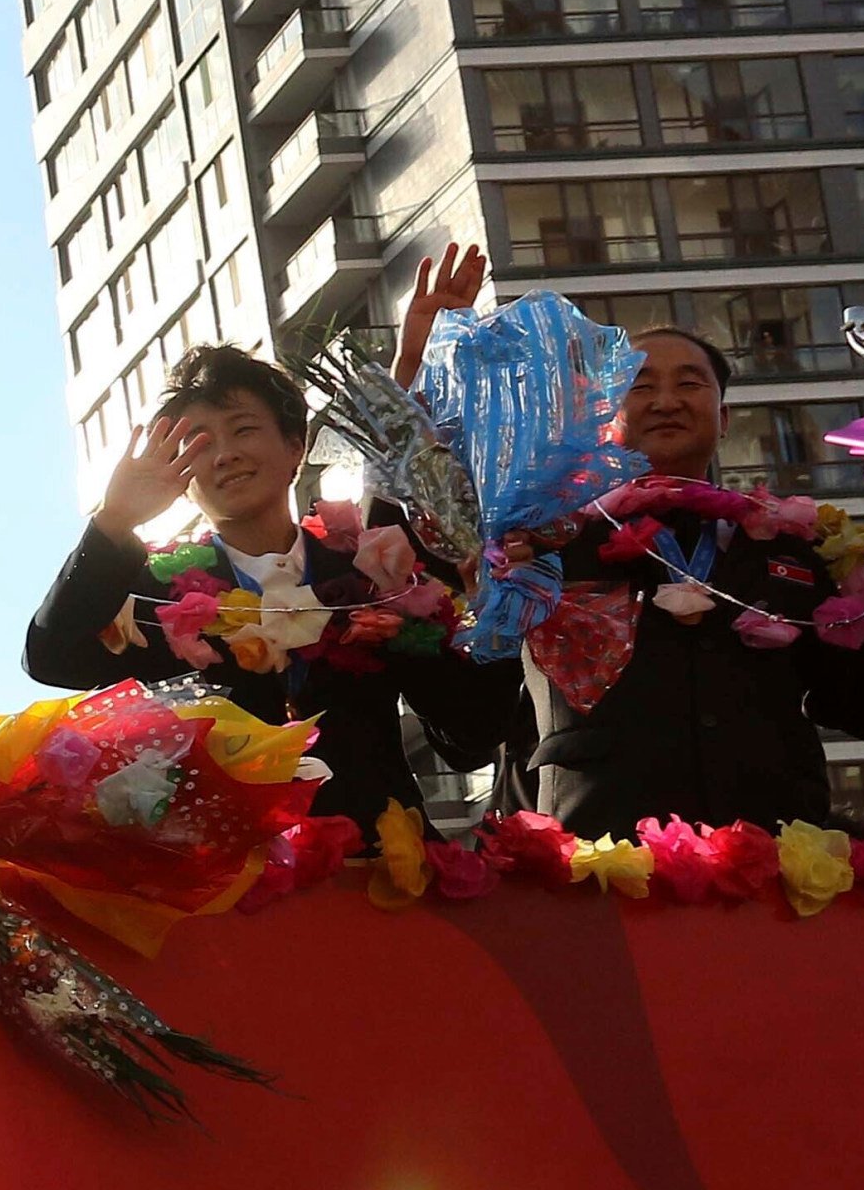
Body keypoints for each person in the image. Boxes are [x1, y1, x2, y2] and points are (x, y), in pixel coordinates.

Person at [28, 343, 515, 832]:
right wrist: (114, 523)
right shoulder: (148, 592)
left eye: (243, 429)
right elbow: (51, 658)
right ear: (181, 477)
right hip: (230, 885)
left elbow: (471, 735)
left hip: (382, 876)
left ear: (295, 448)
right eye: (199, 442)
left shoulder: (374, 575)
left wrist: (494, 611)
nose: (226, 454)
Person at [513, 323, 864, 832]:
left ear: (723, 418)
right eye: (639, 386)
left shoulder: (792, 545)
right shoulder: (548, 540)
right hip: (601, 858)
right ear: (603, 420)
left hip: (773, 860)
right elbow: (481, 704)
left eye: (689, 384)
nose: (666, 401)